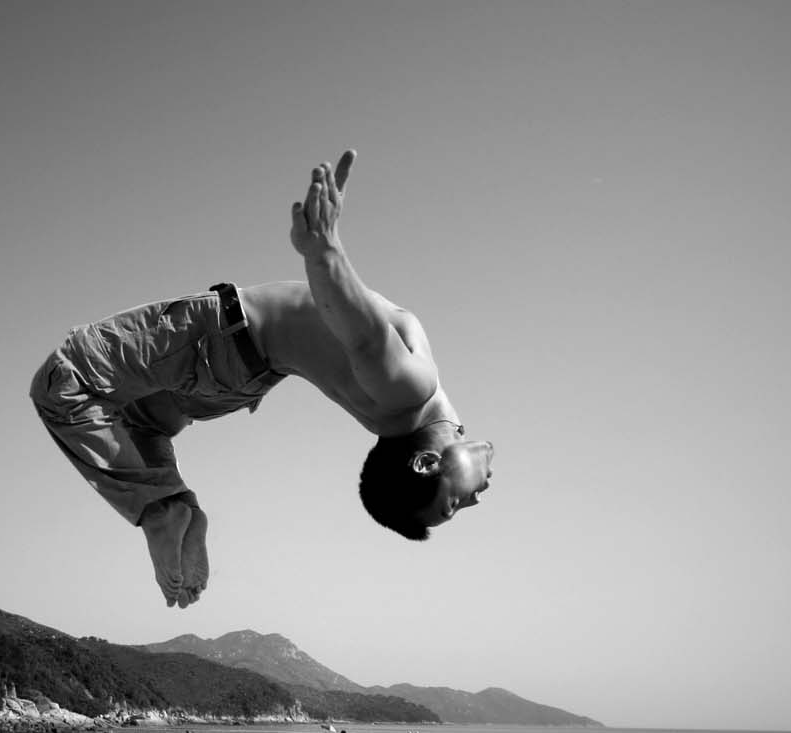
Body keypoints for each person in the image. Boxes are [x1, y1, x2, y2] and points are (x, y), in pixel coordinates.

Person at [31, 150, 495, 608]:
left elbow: (367, 341)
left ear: (426, 463)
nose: (474, 500)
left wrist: (326, 253)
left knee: (62, 380)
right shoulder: (405, 407)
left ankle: (158, 510)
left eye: (454, 504)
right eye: (451, 507)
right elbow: (364, 342)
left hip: (220, 341)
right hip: (238, 380)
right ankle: (175, 508)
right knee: (139, 425)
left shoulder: (409, 393)